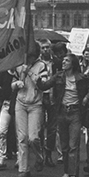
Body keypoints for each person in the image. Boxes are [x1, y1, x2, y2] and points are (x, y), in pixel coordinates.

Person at [40, 53, 89, 177]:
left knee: (73, 145)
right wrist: (37, 79)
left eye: (67, 61)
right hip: (61, 112)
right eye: (63, 60)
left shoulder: (81, 78)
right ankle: (66, 171)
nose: (63, 62)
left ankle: (73, 175)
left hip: (75, 113)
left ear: (73, 64)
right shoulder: (59, 76)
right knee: (64, 146)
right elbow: (45, 86)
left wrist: (87, 98)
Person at [12, 41, 49, 177]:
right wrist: (17, 84)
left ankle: (39, 157)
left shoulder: (41, 66)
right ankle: (23, 168)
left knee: (34, 137)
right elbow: (12, 83)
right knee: (22, 137)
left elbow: (43, 84)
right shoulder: (18, 65)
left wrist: (30, 74)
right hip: (20, 103)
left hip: (35, 104)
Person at [0, 70, 15, 170]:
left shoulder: (21, 71)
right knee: (2, 131)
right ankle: (1, 158)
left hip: (19, 103)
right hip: (7, 103)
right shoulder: (4, 73)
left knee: (19, 132)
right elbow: (2, 90)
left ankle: (19, 157)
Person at [39, 39, 57, 167]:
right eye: (43, 48)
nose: (45, 50)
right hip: (40, 96)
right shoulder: (37, 63)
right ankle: (40, 154)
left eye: (47, 47)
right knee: (39, 127)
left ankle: (49, 154)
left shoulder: (56, 62)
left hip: (53, 96)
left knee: (52, 128)